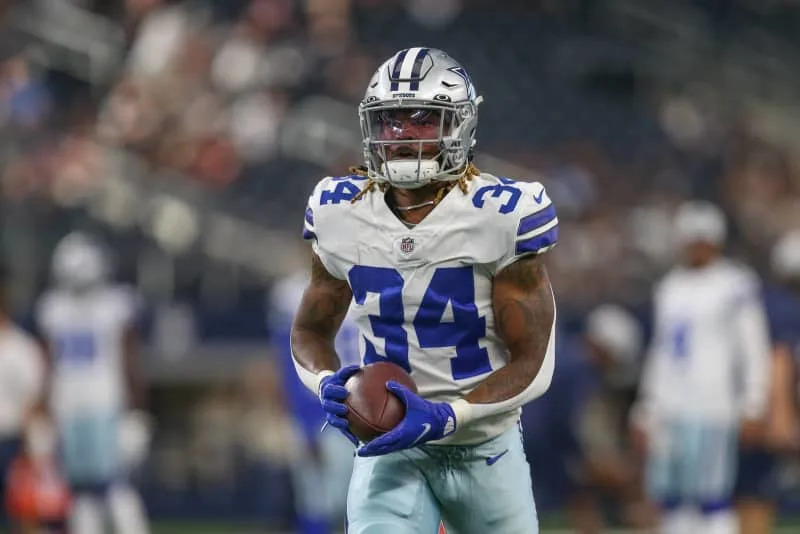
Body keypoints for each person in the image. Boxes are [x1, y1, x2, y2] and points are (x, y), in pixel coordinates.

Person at [290, 47, 558, 534]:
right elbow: (309, 331)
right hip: (390, 445)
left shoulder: (502, 215)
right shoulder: (339, 211)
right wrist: (327, 383)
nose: (401, 134)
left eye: (423, 119)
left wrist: (448, 416)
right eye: (390, 120)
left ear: (460, 124)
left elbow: (533, 362)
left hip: (484, 447)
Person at [630, 201, 772, 534]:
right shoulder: (669, 287)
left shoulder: (735, 284)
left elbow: (753, 347)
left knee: (712, 497)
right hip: (670, 405)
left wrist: (754, 402)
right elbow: (660, 351)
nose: (698, 247)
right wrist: (646, 408)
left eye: (704, 239)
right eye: (692, 240)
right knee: (671, 498)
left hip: (714, 405)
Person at [34, 232, 150, 534]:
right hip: (71, 408)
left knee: (113, 487)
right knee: (83, 490)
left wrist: (136, 412)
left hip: (104, 406)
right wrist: (43, 414)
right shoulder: (54, 309)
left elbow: (130, 363)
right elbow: (47, 367)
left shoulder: (114, 305)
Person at [268, 267, 360, 534]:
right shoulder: (291, 292)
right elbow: (290, 362)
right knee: (318, 502)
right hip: (322, 406)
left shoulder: (371, 277)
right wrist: (307, 422)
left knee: (353, 503)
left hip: (362, 407)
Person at [734, 229, 800, 534]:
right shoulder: (785, 307)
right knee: (755, 498)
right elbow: (778, 362)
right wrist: (782, 418)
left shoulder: (763, 302)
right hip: (761, 415)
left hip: (737, 408)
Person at [0, 264, 47, 530]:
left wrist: (32, 447)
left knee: (23, 514)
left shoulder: (22, 348)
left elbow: (33, 397)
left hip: (11, 440)